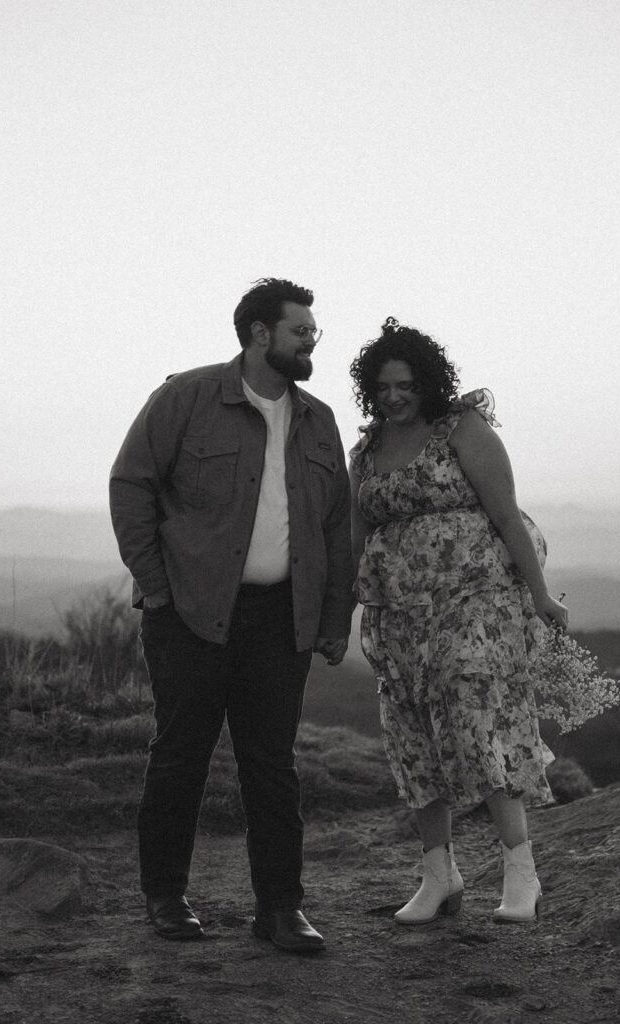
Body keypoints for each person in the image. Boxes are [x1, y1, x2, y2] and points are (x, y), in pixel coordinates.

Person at [109, 278, 353, 954]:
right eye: (300, 329)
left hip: (281, 620)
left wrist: (334, 617)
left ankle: (280, 910)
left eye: (313, 330)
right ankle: (166, 895)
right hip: (189, 613)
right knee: (180, 756)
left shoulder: (318, 419)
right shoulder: (185, 397)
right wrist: (155, 586)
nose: (312, 339)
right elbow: (131, 484)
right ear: (258, 335)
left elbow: (337, 526)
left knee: (271, 765)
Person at [348, 317, 568, 926]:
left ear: (429, 382)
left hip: (477, 601)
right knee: (411, 731)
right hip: (396, 614)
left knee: (472, 711)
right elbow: (353, 539)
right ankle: (439, 874)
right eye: (383, 386)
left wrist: (542, 596)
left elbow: (506, 516)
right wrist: (332, 615)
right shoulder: (366, 450)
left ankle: (520, 869)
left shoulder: (461, 429)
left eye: (406, 384)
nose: (394, 396)